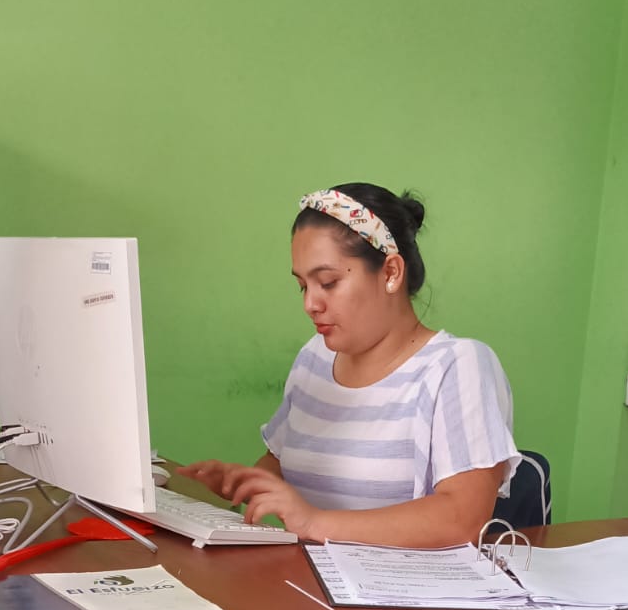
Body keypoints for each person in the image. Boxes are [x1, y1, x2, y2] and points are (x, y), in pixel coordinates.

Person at [183, 182, 519, 546]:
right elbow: (280, 464)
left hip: (399, 583)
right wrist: (240, 484)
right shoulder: (315, 358)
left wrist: (314, 522)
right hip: (304, 575)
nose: (310, 304)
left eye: (328, 282)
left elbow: (462, 519)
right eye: (303, 286)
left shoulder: (456, 367)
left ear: (391, 273)